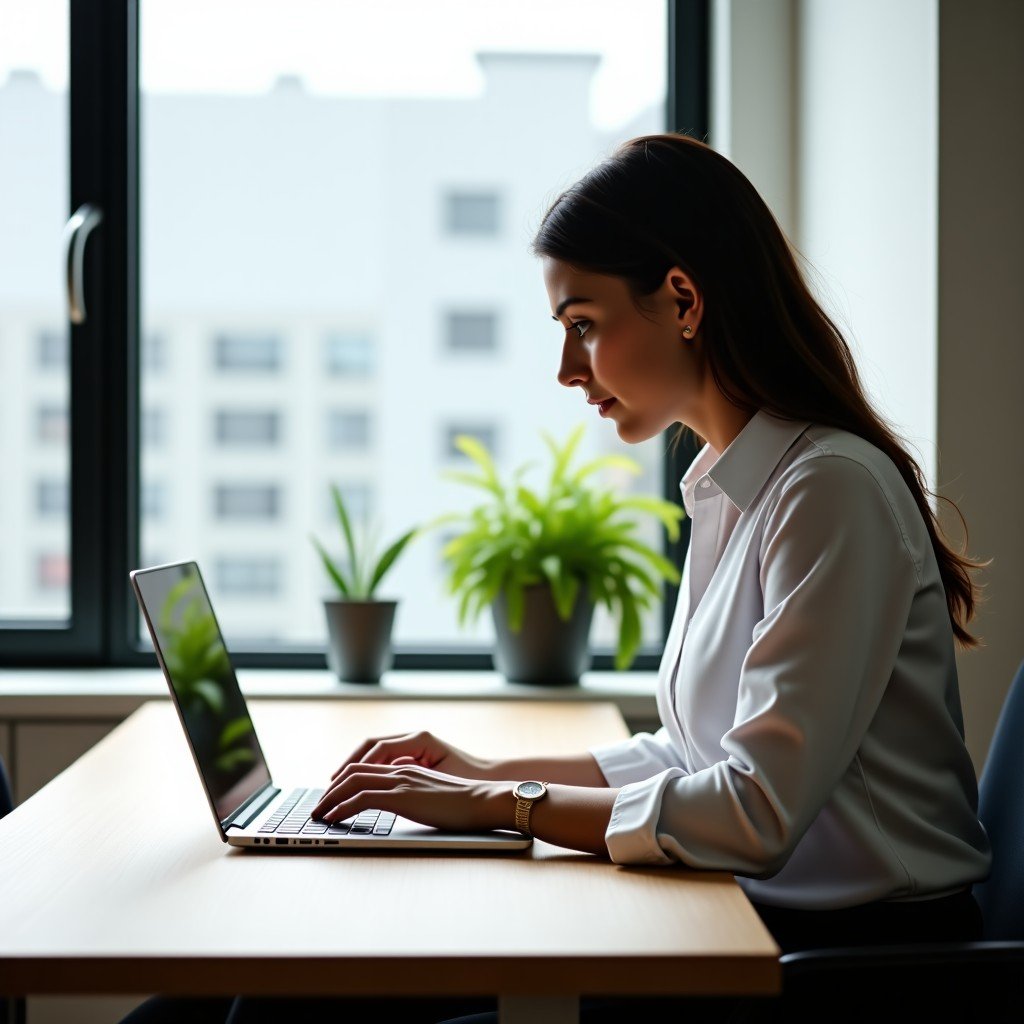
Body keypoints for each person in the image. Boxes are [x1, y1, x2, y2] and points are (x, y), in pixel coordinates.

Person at [123, 133, 992, 1024]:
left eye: (583, 324)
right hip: (745, 923)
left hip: (851, 972)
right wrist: (479, 774)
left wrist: (498, 802)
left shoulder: (827, 490)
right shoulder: (734, 487)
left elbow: (753, 811)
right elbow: (690, 758)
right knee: (200, 1007)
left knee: (289, 1013)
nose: (567, 371)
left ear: (683, 299)